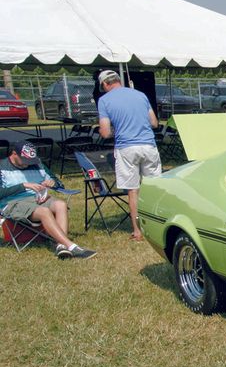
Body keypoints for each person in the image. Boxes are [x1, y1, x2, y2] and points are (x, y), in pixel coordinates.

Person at [0, 141, 96, 259]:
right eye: (25, 161)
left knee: (61, 204)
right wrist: (23, 185)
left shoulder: (37, 164)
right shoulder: (2, 167)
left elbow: (58, 183)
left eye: (30, 161)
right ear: (14, 154)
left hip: (38, 198)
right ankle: (71, 246)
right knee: (44, 211)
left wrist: (53, 183)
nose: (27, 164)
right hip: (13, 203)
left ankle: (61, 246)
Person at [97, 69, 160, 241]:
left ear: (105, 84)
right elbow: (154, 122)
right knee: (154, 187)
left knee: (133, 191)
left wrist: (115, 131)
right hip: (148, 145)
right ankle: (157, 226)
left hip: (126, 148)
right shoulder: (140, 95)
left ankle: (138, 231)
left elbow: (104, 132)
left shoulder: (104, 101)